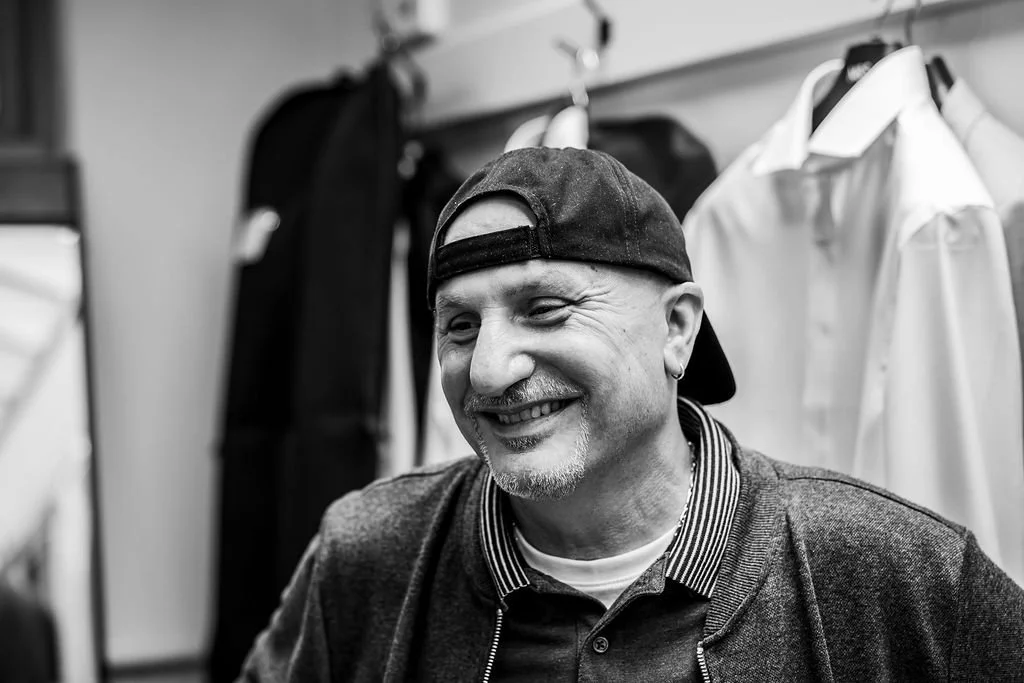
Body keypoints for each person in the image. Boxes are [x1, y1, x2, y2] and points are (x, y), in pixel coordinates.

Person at [238, 147, 1024, 682]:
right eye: (460, 325)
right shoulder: (369, 558)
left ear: (677, 328)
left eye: (544, 308)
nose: (488, 369)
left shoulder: (895, 574)